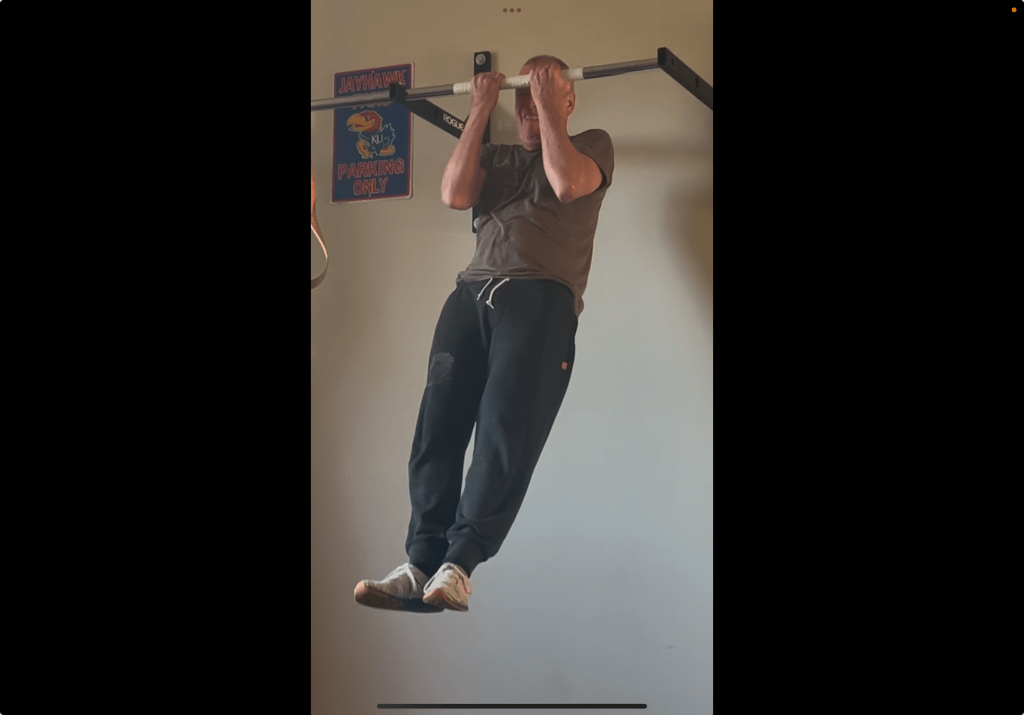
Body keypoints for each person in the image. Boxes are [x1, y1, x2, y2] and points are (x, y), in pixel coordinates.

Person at [354, 55, 614, 612]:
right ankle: (420, 562)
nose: (528, 108)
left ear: (568, 100)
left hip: (540, 300)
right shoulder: (495, 157)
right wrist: (480, 107)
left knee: (503, 432)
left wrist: (546, 101)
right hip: (471, 294)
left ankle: (459, 564)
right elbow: (453, 194)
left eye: (540, 95)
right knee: (437, 427)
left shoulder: (593, 146)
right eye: (522, 98)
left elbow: (567, 184)